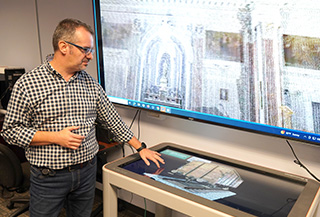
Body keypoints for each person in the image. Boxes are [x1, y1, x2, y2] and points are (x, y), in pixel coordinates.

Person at [0, 18, 165, 217]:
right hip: (48, 177)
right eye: (85, 49)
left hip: (86, 172)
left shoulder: (90, 83)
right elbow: (10, 132)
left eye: (91, 50)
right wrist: (55, 137)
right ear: (63, 47)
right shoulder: (28, 84)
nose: (91, 56)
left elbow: (112, 120)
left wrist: (140, 148)